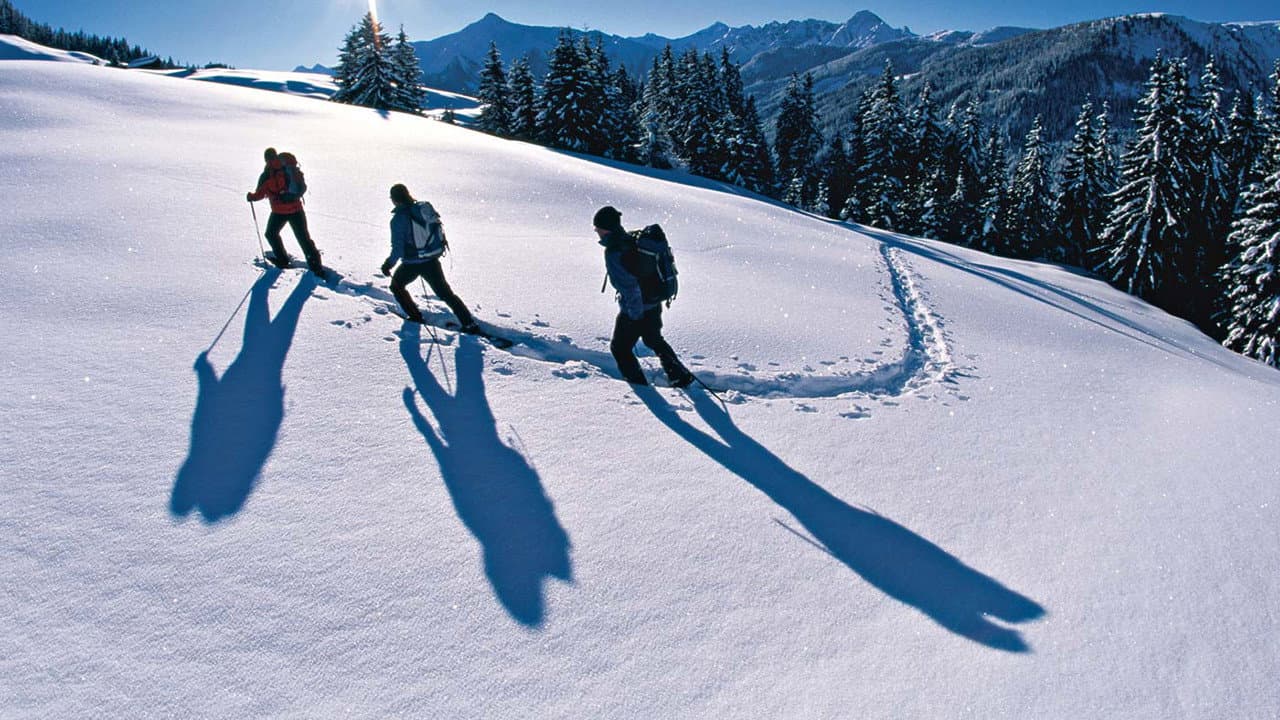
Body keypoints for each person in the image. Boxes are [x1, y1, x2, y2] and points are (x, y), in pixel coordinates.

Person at [594, 205, 694, 388]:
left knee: (620, 348)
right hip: (654, 302)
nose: (596, 231)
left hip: (636, 308)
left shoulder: (614, 251)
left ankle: (639, 385)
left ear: (606, 229)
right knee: (653, 339)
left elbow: (630, 288)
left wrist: (634, 316)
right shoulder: (631, 240)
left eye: (598, 228)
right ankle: (680, 376)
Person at [382, 184, 480, 332]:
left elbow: (398, 249)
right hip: (432, 260)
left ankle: (415, 316)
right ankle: (469, 323)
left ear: (395, 200)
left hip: (412, 263)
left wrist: (388, 264)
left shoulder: (398, 219)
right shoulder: (423, 209)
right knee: (446, 294)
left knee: (396, 286)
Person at [246, 147, 325, 278]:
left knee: (271, 234)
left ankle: (282, 260)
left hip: (279, 212)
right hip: (296, 209)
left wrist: (251, 197)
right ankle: (317, 268)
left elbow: (260, 194)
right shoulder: (289, 167)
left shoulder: (267, 174)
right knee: (304, 239)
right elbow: (301, 186)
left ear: (266, 159)